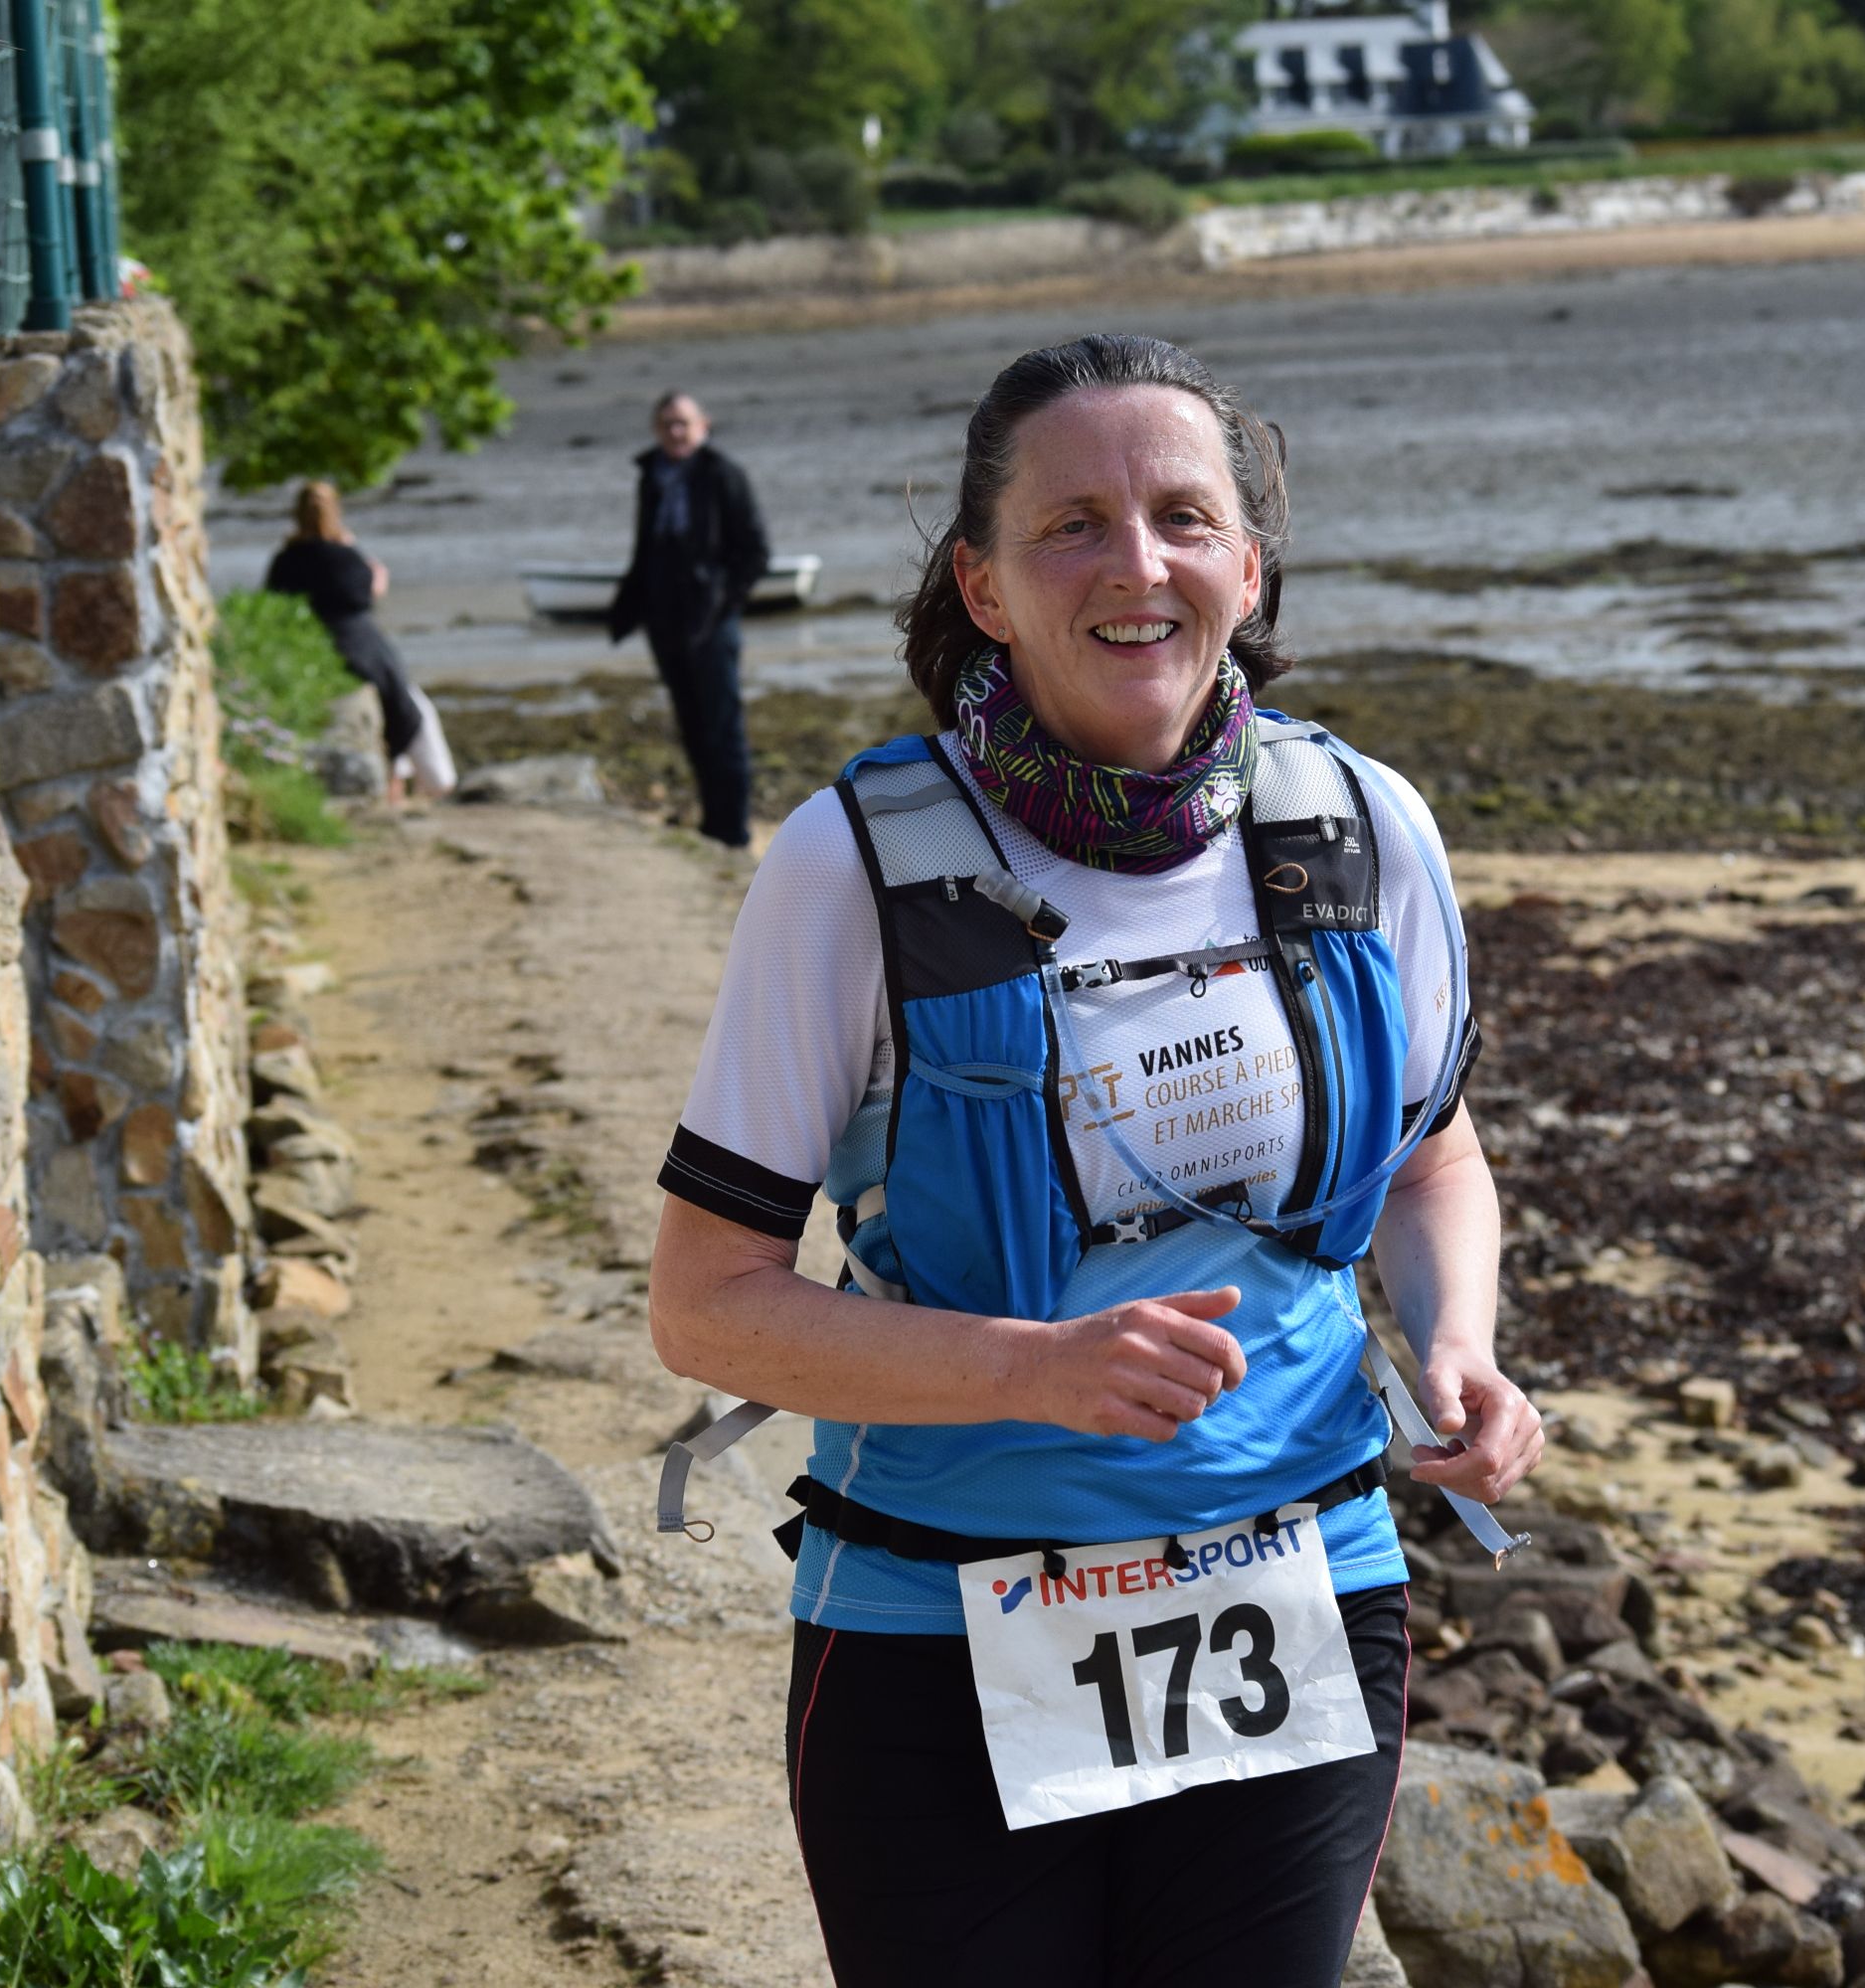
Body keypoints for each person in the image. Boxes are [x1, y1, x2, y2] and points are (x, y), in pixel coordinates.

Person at [644, 334, 1542, 1986]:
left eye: (1183, 517)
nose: (1137, 564)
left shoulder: (1356, 826)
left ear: (1246, 569)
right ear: (983, 586)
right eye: (1073, 526)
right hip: (935, 1617)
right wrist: (1034, 1369)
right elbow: (706, 1306)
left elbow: (1431, 1163)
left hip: (1298, 1584)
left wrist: (1460, 1347)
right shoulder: (852, 867)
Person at [610, 391, 769, 848]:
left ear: (703, 426)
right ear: (656, 430)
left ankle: (734, 831)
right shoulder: (652, 475)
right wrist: (627, 606)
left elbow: (755, 552)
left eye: (683, 423)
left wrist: (725, 601)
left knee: (722, 726)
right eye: (667, 424)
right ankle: (711, 824)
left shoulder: (723, 474)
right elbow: (645, 549)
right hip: (665, 619)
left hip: (712, 619)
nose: (675, 432)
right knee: (692, 725)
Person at [263, 480, 426, 805]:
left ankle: (397, 783)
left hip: (304, 650)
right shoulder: (347, 557)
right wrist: (370, 571)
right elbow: (363, 596)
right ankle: (401, 785)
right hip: (358, 649)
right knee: (407, 707)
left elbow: (273, 604)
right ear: (335, 512)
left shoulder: (285, 560)